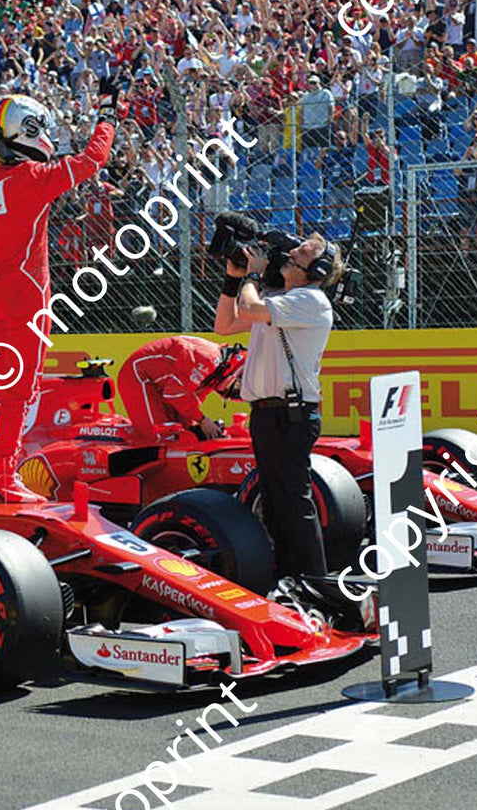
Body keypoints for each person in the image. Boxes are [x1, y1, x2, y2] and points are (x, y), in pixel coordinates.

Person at [0, 91, 121, 501]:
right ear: (29, 131)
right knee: (21, 390)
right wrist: (107, 118)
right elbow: (93, 160)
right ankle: (4, 475)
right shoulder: (31, 180)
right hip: (28, 299)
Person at [213, 230, 371, 629]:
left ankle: (320, 590)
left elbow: (248, 311)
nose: (291, 252)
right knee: (276, 503)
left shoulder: (311, 301)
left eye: (303, 251)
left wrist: (252, 274)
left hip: (290, 414)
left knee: (296, 505)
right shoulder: (281, 301)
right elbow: (225, 324)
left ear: (316, 269)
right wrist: (234, 279)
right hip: (269, 414)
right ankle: (291, 589)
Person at [115, 336, 243, 441]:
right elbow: (175, 395)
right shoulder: (207, 359)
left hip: (162, 384)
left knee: (185, 431)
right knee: (161, 436)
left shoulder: (214, 374)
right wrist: (203, 421)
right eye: (239, 385)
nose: (237, 391)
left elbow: (187, 406)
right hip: (137, 375)